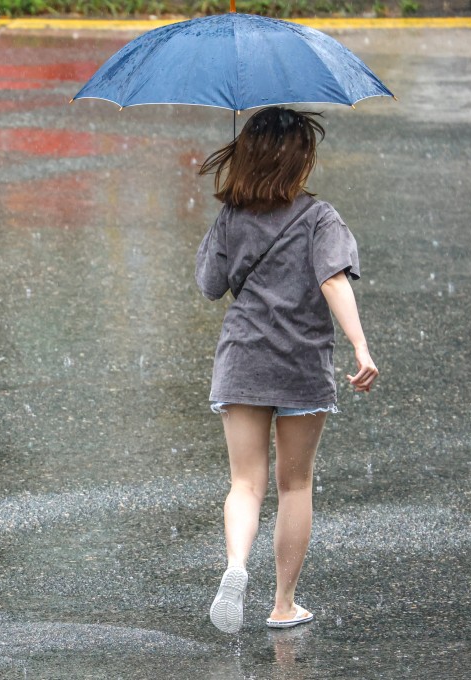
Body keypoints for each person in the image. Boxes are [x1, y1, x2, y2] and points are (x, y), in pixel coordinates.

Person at [194, 107, 379, 634]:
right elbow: (333, 281)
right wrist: (360, 347)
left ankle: (235, 566)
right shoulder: (320, 217)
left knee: (245, 483)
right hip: (299, 361)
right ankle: (283, 604)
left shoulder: (232, 215)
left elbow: (209, 284)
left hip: (243, 359)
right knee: (295, 485)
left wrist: (227, 222)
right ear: (302, 160)